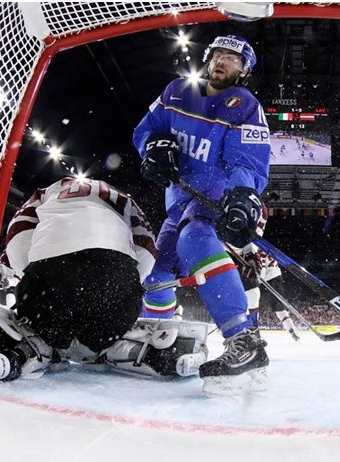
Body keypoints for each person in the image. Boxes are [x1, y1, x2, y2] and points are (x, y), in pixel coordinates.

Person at [133, 34, 272, 395]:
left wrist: (242, 195)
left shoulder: (244, 104)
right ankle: (158, 338)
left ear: (243, 72)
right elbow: (146, 129)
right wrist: (152, 146)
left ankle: (244, 341)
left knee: (196, 237)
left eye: (234, 59)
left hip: (214, 197)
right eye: (219, 55)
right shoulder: (176, 91)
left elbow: (249, 160)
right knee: (155, 274)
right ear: (208, 59)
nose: (224, 62)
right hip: (177, 203)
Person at [0, 177, 209, 382]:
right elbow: (147, 250)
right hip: (114, 274)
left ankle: (29, 347)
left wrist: (28, 271)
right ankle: (140, 350)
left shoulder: (46, 192)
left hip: (52, 274)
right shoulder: (123, 199)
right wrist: (127, 285)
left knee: (49, 330)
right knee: (102, 338)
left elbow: (18, 235)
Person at [228, 206, 300, 342]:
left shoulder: (252, 240)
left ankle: (292, 331)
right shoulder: (237, 241)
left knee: (276, 305)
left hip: (270, 270)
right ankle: (252, 329)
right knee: (252, 293)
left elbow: (263, 216)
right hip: (255, 263)